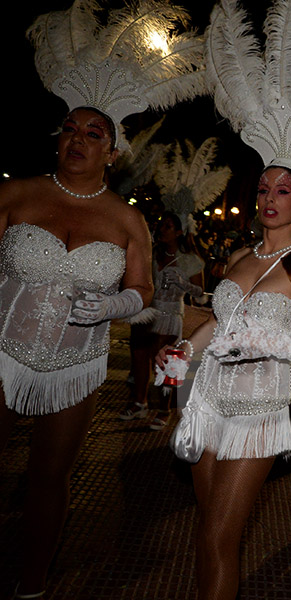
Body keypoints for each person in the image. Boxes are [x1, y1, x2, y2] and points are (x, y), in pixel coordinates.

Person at [156, 165, 291, 599]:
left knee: (221, 535)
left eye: (283, 191)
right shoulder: (241, 257)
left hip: (259, 411)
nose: (269, 198)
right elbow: (220, 326)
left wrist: (286, 344)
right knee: (207, 529)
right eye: (263, 188)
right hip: (206, 399)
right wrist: (183, 348)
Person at [0, 106, 153, 598]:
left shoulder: (127, 218)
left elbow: (143, 288)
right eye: (69, 129)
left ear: (112, 152)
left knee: (49, 477)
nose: (77, 139)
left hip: (76, 365)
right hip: (3, 350)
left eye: (93, 133)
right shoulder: (17, 193)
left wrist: (116, 303)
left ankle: (32, 583)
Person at [120, 211, 204, 429]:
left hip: (170, 314)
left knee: (166, 361)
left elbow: (201, 295)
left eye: (167, 226)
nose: (161, 229)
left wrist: (182, 283)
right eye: (160, 225)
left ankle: (164, 408)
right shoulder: (150, 252)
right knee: (139, 356)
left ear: (178, 232)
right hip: (147, 311)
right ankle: (140, 402)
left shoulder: (190, 260)